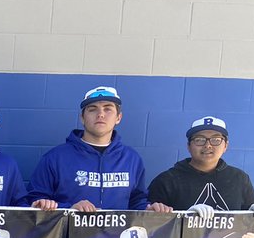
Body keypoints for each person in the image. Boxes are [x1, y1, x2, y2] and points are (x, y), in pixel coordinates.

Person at [28, 86, 170, 213]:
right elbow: (34, 203)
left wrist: (148, 209)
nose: (100, 114)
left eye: (108, 109)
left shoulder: (131, 159)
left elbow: (136, 201)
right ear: (82, 118)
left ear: (118, 118)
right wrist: (69, 208)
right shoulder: (55, 158)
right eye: (92, 109)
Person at [147, 117, 254, 220]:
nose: (208, 145)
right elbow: (153, 226)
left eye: (216, 140)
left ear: (225, 146)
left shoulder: (240, 178)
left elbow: (250, 227)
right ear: (188, 146)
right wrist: (186, 217)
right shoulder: (166, 180)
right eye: (199, 140)